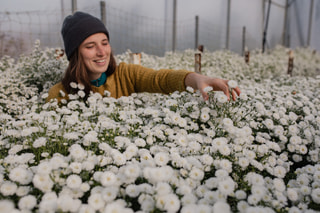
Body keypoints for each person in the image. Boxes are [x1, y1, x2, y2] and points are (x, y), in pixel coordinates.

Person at [47, 11, 241, 104]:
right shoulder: (59, 95)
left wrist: (198, 79)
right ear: (75, 54)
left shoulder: (125, 74)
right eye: (90, 46)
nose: (101, 52)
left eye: (104, 43)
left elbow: (161, 79)